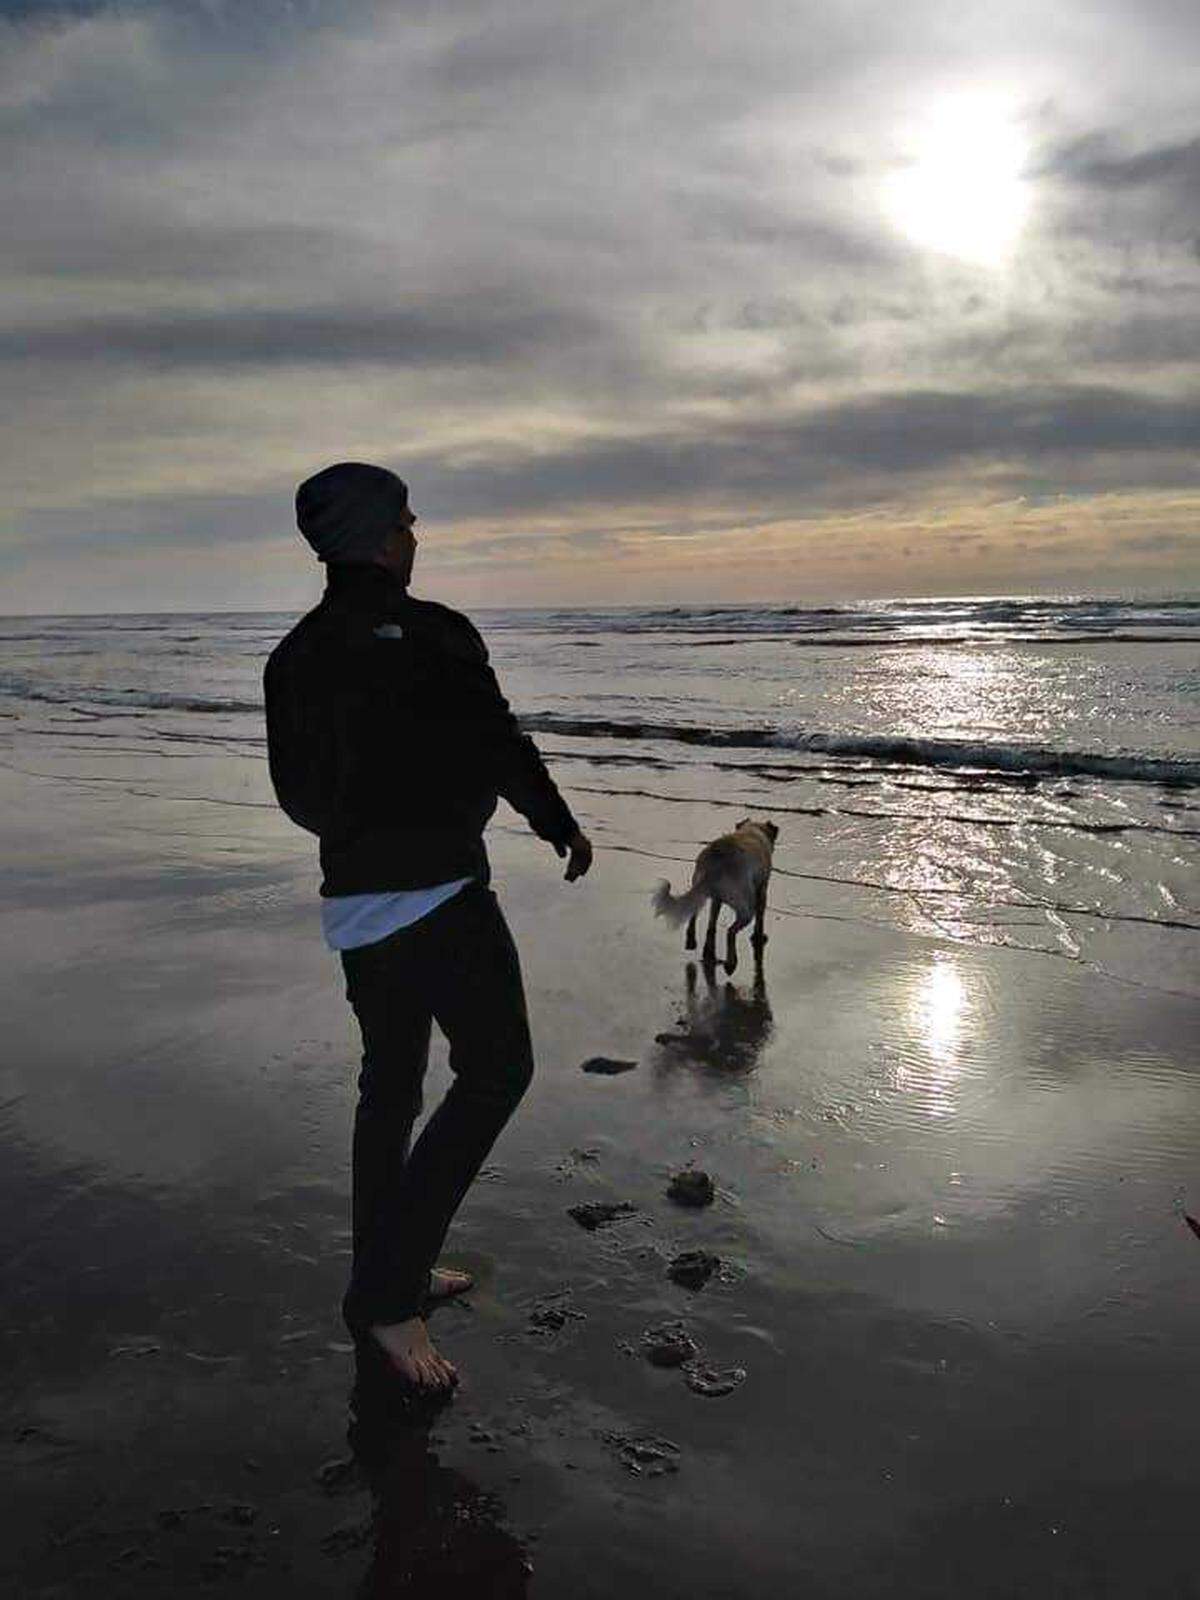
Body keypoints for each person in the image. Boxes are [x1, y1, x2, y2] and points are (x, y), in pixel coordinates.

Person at [263, 462, 593, 1392]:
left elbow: (299, 798)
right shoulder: (439, 635)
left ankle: (389, 1272)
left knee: (393, 1085)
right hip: (444, 898)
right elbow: (499, 741)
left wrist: (369, 821)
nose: (416, 535)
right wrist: (556, 821)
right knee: (498, 1072)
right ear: (375, 535)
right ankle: (385, 1301)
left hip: (357, 907)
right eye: (406, 520)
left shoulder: (293, 655)